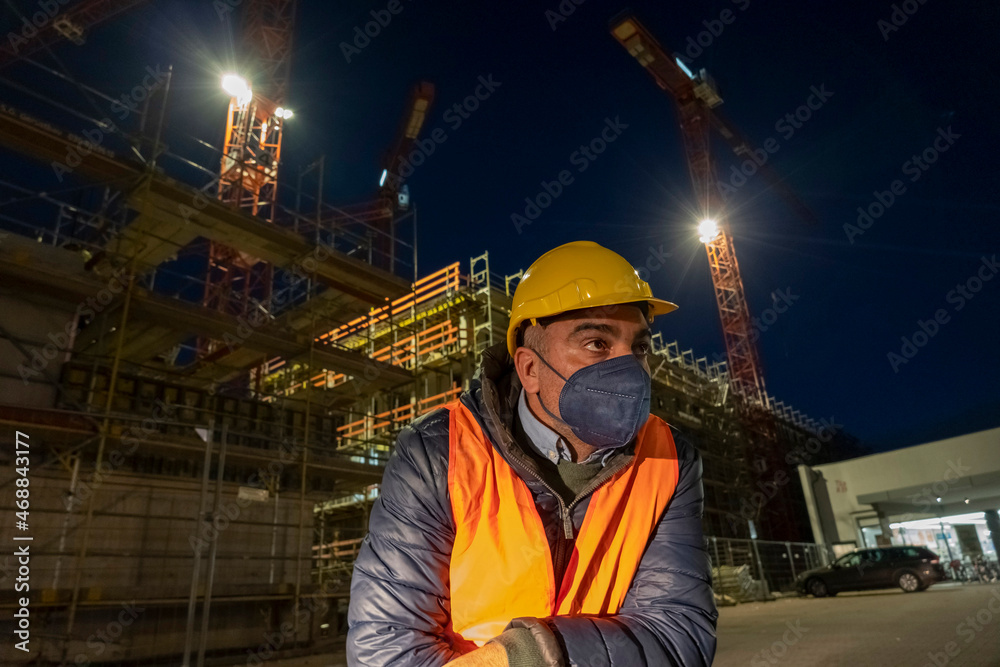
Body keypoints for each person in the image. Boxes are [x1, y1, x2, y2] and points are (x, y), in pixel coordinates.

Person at [347, 241, 718, 666]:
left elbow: (678, 635)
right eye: (597, 342)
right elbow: (384, 649)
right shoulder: (438, 451)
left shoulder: (670, 459)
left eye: (639, 348)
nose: (630, 368)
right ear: (529, 369)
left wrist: (534, 656)